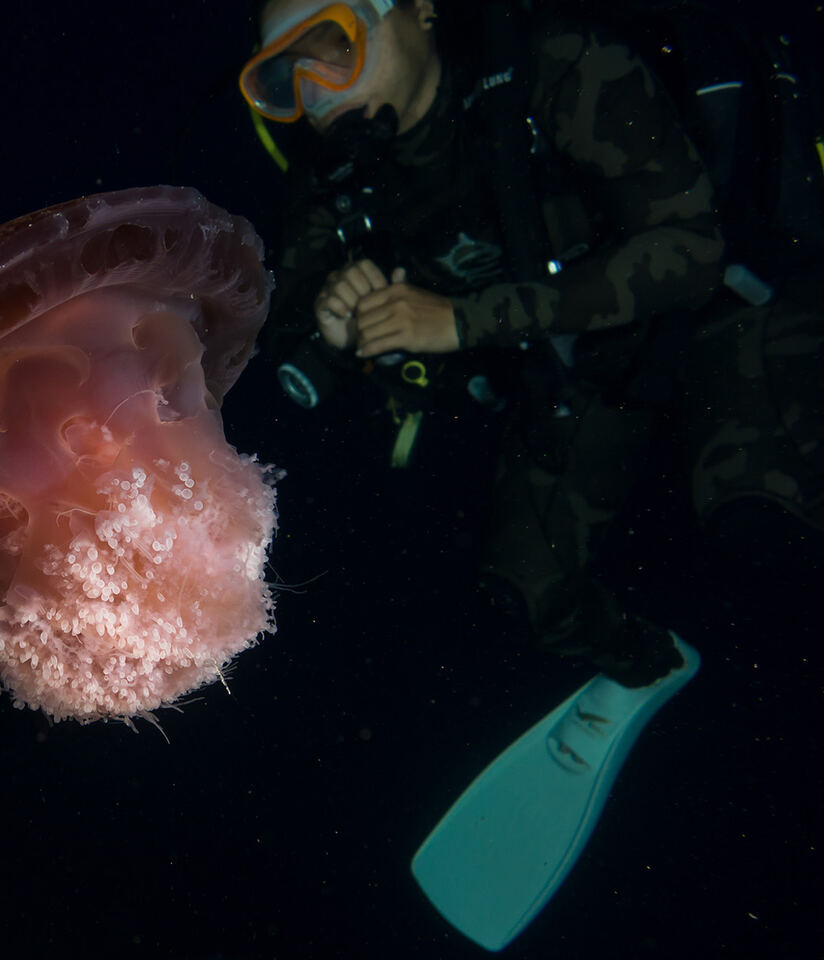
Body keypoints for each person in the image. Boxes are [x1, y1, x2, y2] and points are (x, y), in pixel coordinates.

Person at [238, 0, 740, 948]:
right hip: (566, 391)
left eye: (334, 48)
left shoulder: (556, 66)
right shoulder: (340, 173)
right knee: (527, 593)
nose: (314, 93)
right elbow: (295, 341)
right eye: (281, 79)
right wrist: (336, 329)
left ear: (419, 11)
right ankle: (654, 667)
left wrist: (463, 320)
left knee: (765, 513)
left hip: (697, 329)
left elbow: (692, 250)